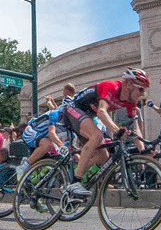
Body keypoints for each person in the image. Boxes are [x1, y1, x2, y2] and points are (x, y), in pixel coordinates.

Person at [61, 67, 149, 197]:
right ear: (129, 85)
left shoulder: (131, 103)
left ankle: (72, 176)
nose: (142, 94)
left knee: (103, 156)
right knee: (97, 136)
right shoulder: (112, 87)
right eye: (141, 89)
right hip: (73, 109)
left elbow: (135, 128)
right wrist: (116, 129)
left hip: (87, 116)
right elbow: (102, 112)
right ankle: (76, 182)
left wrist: (143, 149)